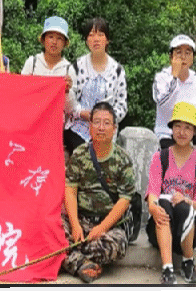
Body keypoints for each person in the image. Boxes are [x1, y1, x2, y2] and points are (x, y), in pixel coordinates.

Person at [62, 102, 136, 284]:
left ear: (114, 128)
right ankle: (82, 264)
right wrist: (75, 225)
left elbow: (124, 199)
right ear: (90, 126)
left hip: (108, 225)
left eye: (106, 123)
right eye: (96, 122)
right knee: (52, 230)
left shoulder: (123, 160)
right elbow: (70, 190)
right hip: (80, 219)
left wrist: (101, 228)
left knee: (116, 245)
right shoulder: (79, 154)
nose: (101, 127)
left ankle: (71, 258)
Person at [146, 102, 196, 285]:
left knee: (185, 207)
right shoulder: (160, 157)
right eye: (177, 126)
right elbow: (152, 193)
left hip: (188, 230)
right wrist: (153, 208)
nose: (182, 132)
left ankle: (188, 261)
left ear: (194, 131)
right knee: (163, 204)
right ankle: (167, 268)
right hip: (160, 226)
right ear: (171, 129)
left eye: (187, 127)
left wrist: (186, 200)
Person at [67, 18, 127, 155]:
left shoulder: (117, 70)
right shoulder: (76, 67)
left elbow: (122, 105)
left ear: (107, 40)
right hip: (78, 127)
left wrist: (105, 120)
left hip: (105, 131)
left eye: (100, 35)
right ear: (86, 41)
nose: (96, 39)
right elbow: (69, 101)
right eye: (91, 35)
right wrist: (81, 113)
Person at [152, 34, 196, 149]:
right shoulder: (161, 78)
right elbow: (163, 104)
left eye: (188, 53)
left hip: (191, 137)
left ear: (193, 58)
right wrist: (174, 77)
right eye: (178, 52)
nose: (183, 57)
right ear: (171, 56)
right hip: (166, 134)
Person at [20, 16, 76, 120]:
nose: (54, 42)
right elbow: (21, 94)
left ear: (64, 43)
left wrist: (68, 92)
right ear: (43, 39)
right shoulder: (32, 63)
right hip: (31, 121)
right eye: (50, 37)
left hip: (55, 124)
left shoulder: (69, 70)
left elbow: (70, 109)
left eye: (59, 38)